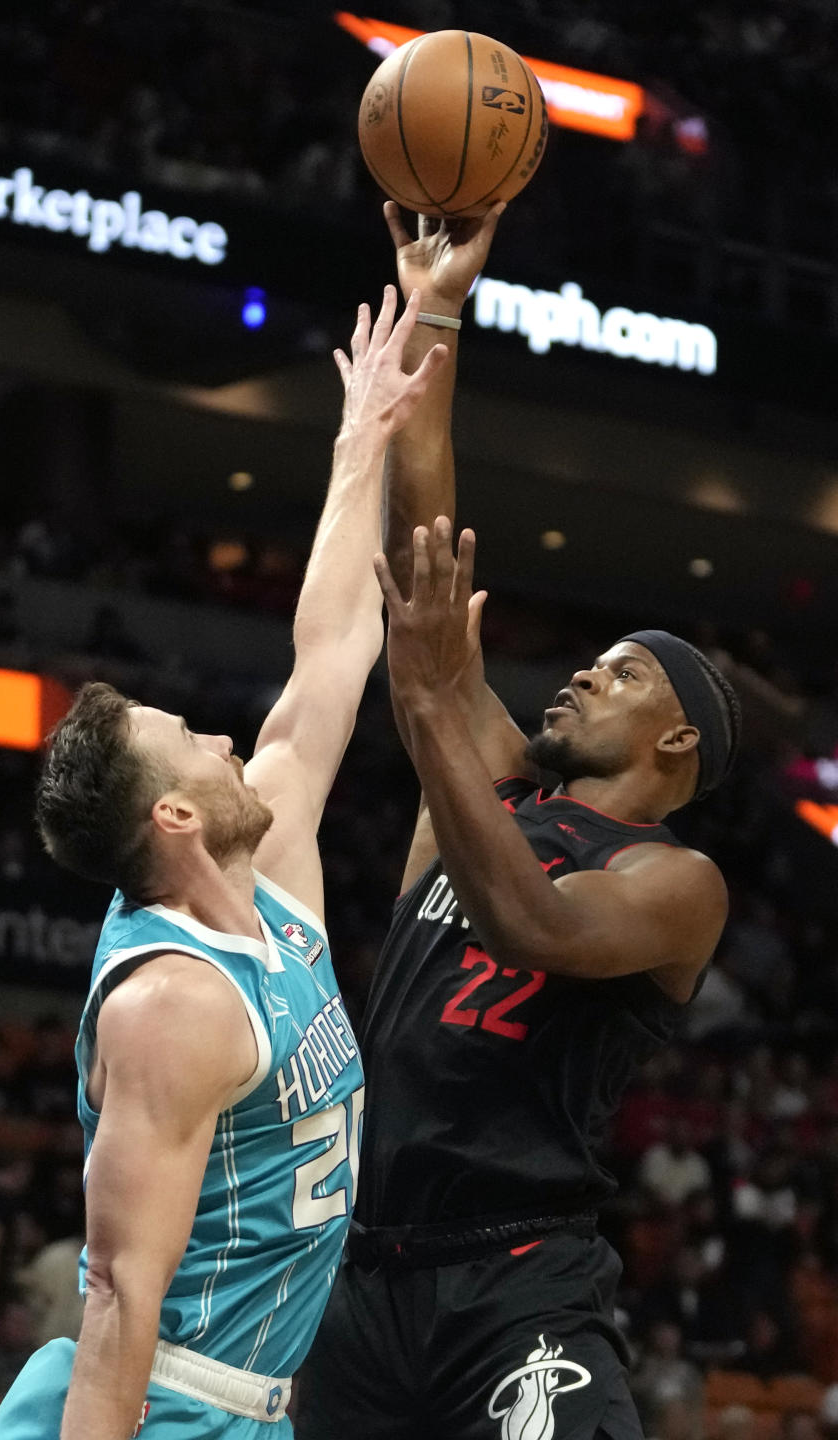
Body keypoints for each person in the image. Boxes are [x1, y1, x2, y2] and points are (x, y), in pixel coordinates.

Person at [295, 206, 740, 1439]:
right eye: (593, 662)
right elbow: (428, 543)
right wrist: (438, 304)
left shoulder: (674, 882)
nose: (586, 676)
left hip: (516, 1284)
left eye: (623, 673)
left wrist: (434, 690)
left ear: (678, 742)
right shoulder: (495, 781)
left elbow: (528, 918)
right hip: (357, 1278)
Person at [0, 286, 448, 1440]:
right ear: (178, 818)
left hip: (257, 1410)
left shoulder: (269, 885)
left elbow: (332, 651)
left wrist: (363, 436)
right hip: (162, 1410)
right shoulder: (173, 1006)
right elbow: (119, 1296)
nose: (230, 739)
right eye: (196, 743)